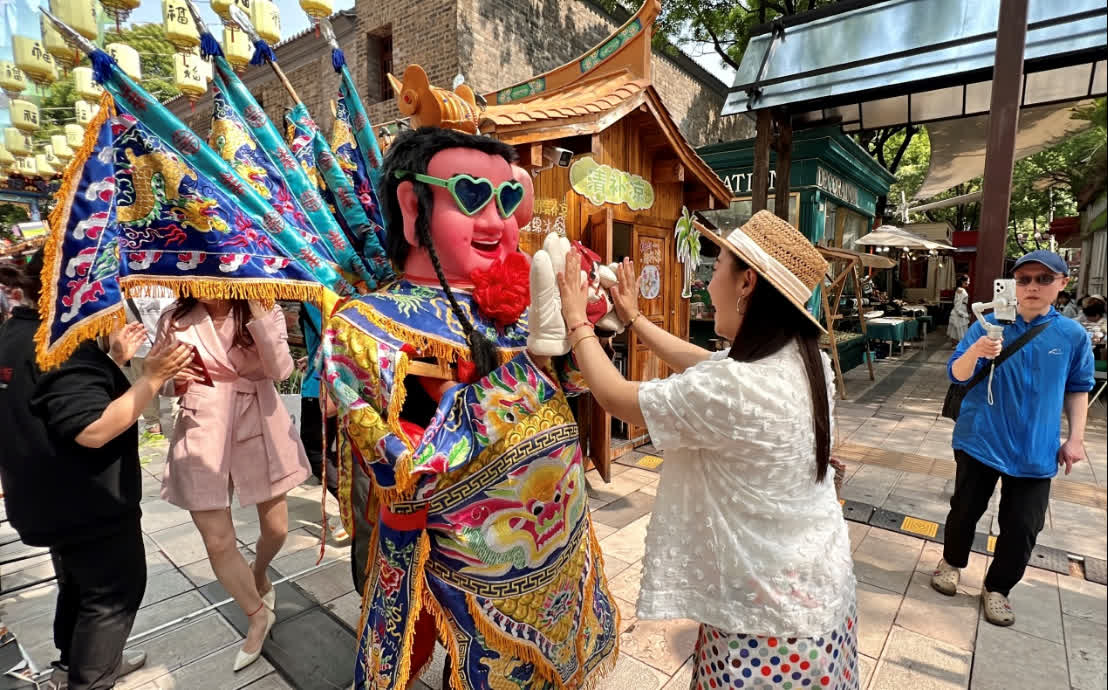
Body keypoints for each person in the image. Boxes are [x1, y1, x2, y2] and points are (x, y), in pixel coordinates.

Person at [555, 211, 858, 690]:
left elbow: (615, 396)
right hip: (820, 597)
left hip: (764, 625)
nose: (706, 284)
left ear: (746, 283)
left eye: (715, 267)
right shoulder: (807, 360)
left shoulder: (736, 388)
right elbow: (702, 362)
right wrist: (632, 318)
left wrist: (576, 318)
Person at [0, 251, 193, 690]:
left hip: (45, 499)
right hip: (87, 506)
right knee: (110, 597)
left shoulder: (17, 332)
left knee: (78, 587)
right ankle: (91, 678)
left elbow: (58, 402)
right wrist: (152, 378)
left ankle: (74, 665)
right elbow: (93, 429)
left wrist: (113, 360)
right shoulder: (60, 348)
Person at [932, 250, 1094, 626]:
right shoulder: (987, 324)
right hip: (980, 438)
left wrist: (1076, 439)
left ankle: (998, 588)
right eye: (1024, 280)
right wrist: (977, 350)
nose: (1032, 287)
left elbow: (1078, 387)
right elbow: (957, 374)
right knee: (965, 509)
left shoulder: (1072, 335)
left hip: (1036, 448)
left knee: (1023, 527)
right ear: (1013, 284)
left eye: (1044, 279)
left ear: (1062, 284)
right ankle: (951, 562)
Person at [159, 297, 311, 672]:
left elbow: (281, 369)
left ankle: (258, 573)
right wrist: (174, 379)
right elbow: (162, 382)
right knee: (217, 541)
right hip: (201, 426)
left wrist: (260, 316)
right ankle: (256, 616)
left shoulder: (264, 309)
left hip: (258, 419)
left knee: (276, 529)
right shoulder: (175, 317)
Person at [296, 303, 348, 543]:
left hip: (320, 387)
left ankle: (350, 510)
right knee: (338, 452)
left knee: (315, 452)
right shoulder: (334, 290)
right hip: (344, 382)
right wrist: (313, 357)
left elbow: (334, 335)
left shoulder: (313, 296)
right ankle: (353, 508)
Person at [122, 291, 177, 436]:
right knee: (169, 385)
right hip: (153, 347)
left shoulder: (124, 291)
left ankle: (155, 426)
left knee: (148, 388)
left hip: (150, 346)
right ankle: (166, 423)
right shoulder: (171, 288)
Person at [947, 274, 971, 346]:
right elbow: (958, 303)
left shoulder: (960, 289)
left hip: (960, 309)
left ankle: (956, 345)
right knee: (959, 329)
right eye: (968, 281)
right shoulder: (961, 290)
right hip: (960, 310)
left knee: (956, 329)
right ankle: (958, 345)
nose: (969, 282)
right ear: (963, 282)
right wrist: (960, 313)